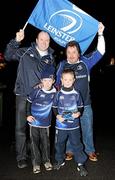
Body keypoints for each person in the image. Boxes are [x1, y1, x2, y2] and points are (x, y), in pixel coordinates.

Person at [4, 29, 55, 168]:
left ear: (49, 42)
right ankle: (21, 157)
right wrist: (16, 41)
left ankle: (39, 156)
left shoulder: (51, 57)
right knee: (20, 127)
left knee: (40, 128)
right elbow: (8, 56)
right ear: (37, 40)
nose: (44, 42)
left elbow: (51, 77)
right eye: (42, 39)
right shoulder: (25, 51)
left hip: (40, 99)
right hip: (23, 94)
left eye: (47, 40)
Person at [55, 22, 105, 161]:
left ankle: (90, 150)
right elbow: (57, 84)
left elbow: (101, 52)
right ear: (66, 53)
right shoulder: (62, 65)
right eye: (69, 52)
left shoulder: (85, 62)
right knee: (70, 129)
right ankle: (70, 150)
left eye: (74, 52)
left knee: (87, 128)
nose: (71, 55)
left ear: (78, 53)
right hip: (67, 106)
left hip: (85, 104)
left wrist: (100, 34)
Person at [53, 69, 88, 177]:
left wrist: (78, 113)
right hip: (61, 126)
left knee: (77, 144)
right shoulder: (58, 94)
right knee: (59, 144)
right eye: (65, 79)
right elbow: (54, 107)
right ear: (62, 80)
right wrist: (57, 115)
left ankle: (80, 163)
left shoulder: (77, 94)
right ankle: (60, 160)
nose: (67, 81)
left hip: (74, 126)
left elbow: (81, 107)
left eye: (70, 79)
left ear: (74, 80)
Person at [26, 66, 56, 174]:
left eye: (49, 80)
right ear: (41, 81)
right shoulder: (36, 91)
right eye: (45, 80)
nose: (47, 83)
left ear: (53, 81)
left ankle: (47, 161)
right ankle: (36, 163)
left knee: (46, 143)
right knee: (34, 142)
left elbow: (56, 106)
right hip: (34, 122)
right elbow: (28, 102)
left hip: (46, 123)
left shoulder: (54, 92)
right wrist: (28, 114)